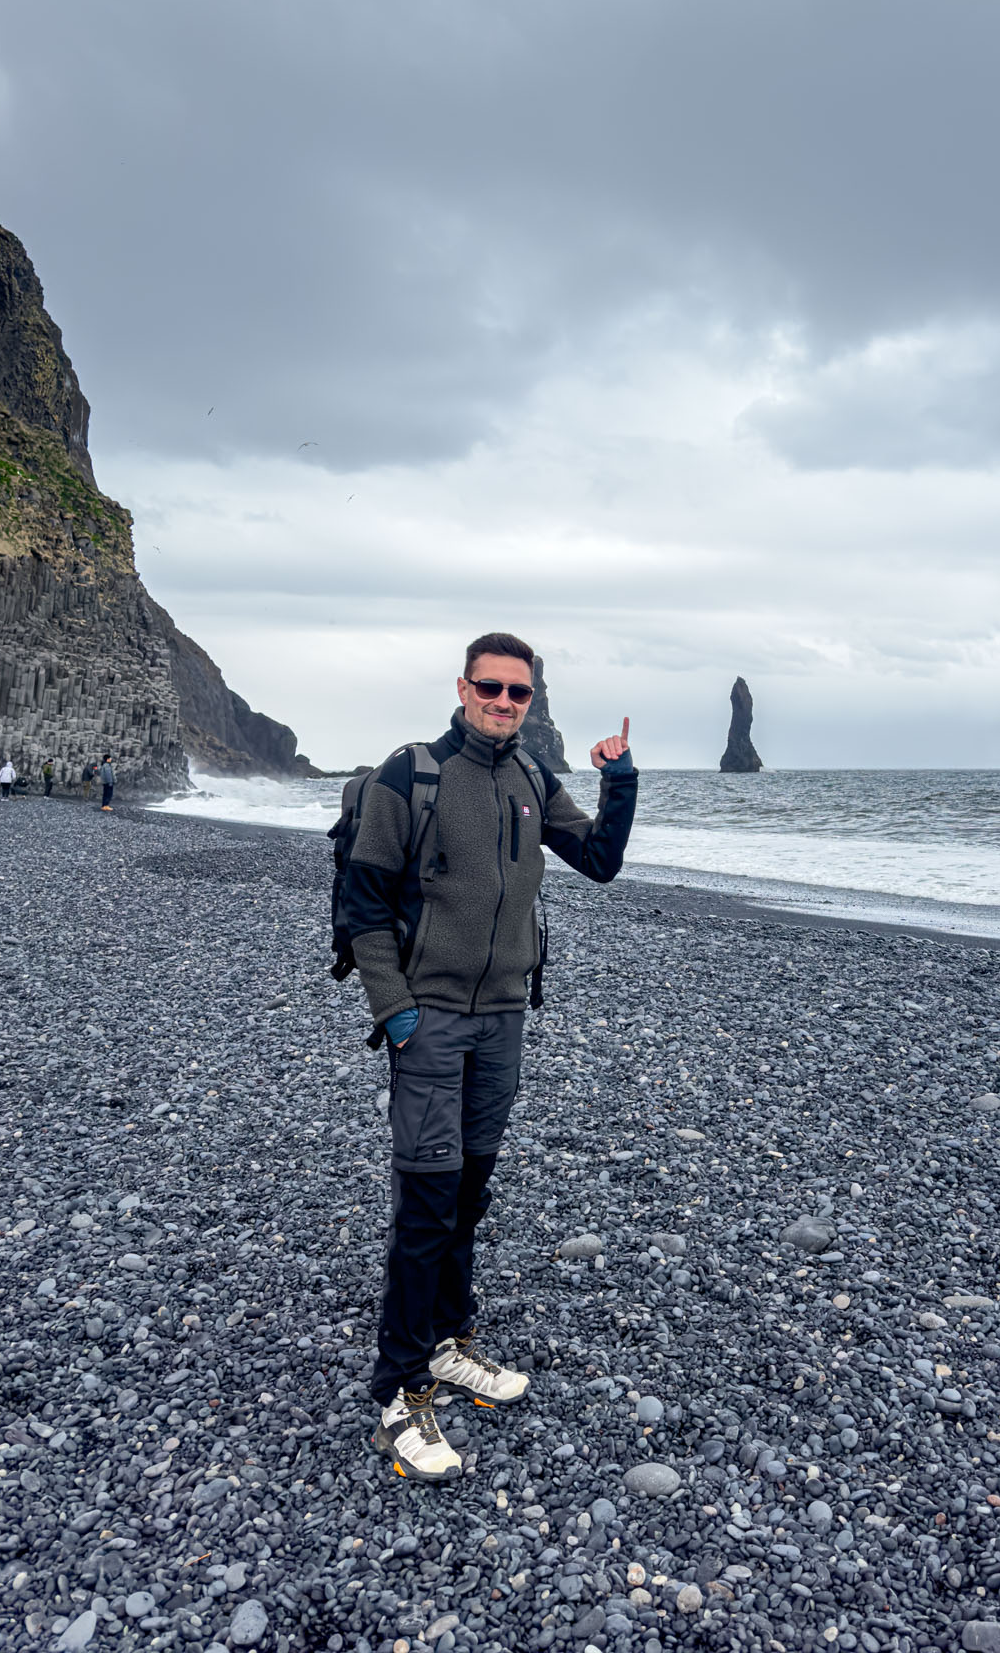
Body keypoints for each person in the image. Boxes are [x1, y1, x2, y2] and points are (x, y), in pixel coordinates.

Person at [341, 632, 637, 1482]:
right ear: (462, 687)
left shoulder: (533, 780)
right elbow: (365, 902)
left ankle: (445, 1341)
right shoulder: (412, 775)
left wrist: (620, 781)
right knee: (428, 1202)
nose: (504, 703)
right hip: (427, 1022)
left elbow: (601, 862)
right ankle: (400, 1392)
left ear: (531, 702)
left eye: (519, 693)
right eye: (490, 688)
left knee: (468, 1193)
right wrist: (395, 1013)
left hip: (504, 1018)